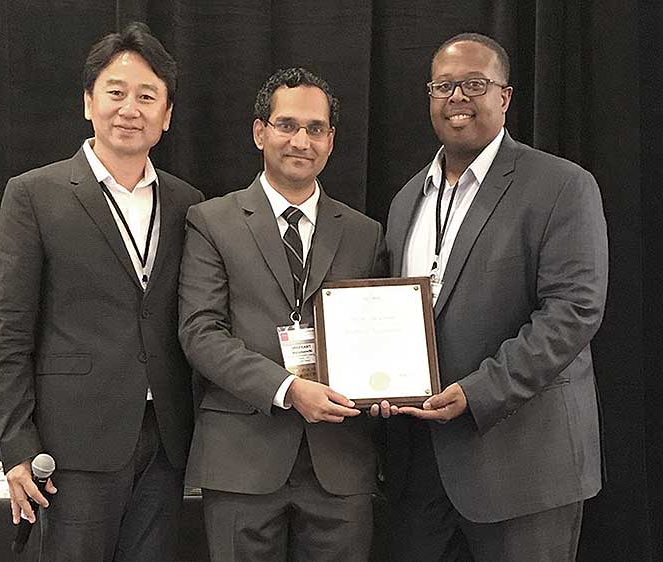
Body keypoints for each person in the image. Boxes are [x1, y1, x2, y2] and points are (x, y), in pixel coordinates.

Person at [376, 33, 608, 562]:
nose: (457, 97)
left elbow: (573, 311)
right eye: (443, 86)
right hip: (421, 471)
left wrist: (478, 392)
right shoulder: (406, 198)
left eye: (474, 84)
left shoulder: (561, 185)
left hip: (523, 469)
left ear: (504, 97)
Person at [0, 22, 203, 562]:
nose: (131, 108)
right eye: (116, 92)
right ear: (89, 102)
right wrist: (17, 446)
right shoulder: (34, 194)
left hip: (167, 440)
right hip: (72, 444)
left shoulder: (188, 203)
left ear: (167, 116)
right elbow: (10, 331)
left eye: (148, 96)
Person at [178, 67, 387, 562]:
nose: (301, 140)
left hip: (341, 462)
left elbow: (378, 335)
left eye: (315, 129)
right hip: (241, 459)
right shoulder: (212, 220)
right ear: (260, 132)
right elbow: (200, 332)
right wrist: (289, 389)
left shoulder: (364, 233)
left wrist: (387, 385)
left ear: (331, 140)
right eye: (286, 125)